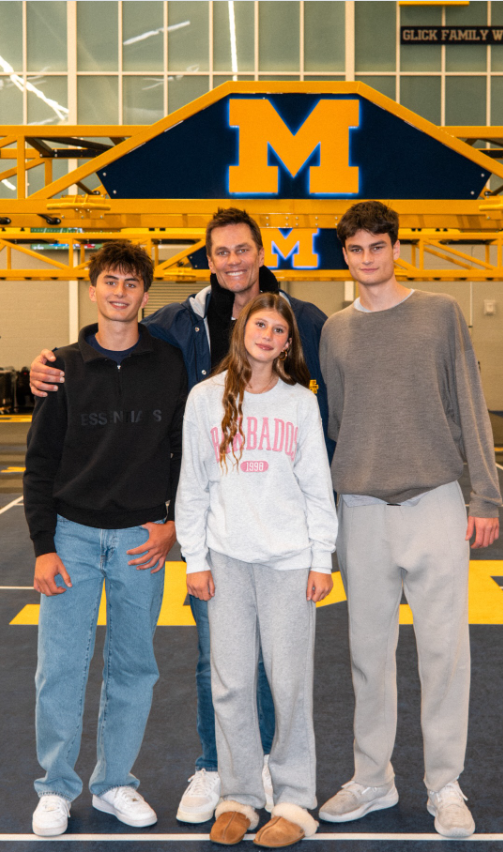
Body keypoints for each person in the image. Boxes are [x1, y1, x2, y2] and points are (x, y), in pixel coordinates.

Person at [28, 207, 332, 824]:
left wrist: (318, 542)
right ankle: (218, 769)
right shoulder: (177, 330)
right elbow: (169, 439)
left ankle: (272, 775)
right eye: (220, 252)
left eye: (242, 250)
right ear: (209, 258)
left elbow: (330, 404)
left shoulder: (307, 325)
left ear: (258, 250)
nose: (232, 261)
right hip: (198, 536)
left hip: (252, 537)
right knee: (213, 664)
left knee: (263, 669)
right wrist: (30, 376)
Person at [318, 201, 501, 839]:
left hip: (436, 503)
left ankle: (444, 785)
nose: (367, 258)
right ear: (346, 255)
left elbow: (470, 404)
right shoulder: (335, 331)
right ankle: (372, 779)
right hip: (362, 511)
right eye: (355, 249)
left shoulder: (441, 314)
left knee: (444, 654)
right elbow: (338, 426)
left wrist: (486, 496)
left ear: (397, 248)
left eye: (377, 246)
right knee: (368, 654)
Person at [24, 241, 187, 837]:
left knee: (134, 666)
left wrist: (172, 525)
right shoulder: (61, 367)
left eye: (131, 283)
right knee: (61, 667)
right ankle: (56, 787)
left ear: (146, 295)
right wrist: (43, 545)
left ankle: (116, 781)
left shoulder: (168, 365)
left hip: (142, 541)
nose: (120, 292)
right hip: (71, 537)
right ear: (93, 290)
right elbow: (39, 464)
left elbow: (181, 453)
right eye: (110, 282)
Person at [176, 292, 338, 847]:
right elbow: (192, 487)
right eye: (260, 324)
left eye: (279, 330)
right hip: (225, 562)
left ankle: (294, 801)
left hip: (290, 563)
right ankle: (239, 796)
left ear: (288, 344)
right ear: (243, 329)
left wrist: (322, 559)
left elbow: (319, 488)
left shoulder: (299, 404)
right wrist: (195, 560)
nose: (268, 335)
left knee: (290, 683)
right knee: (230, 682)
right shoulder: (204, 399)